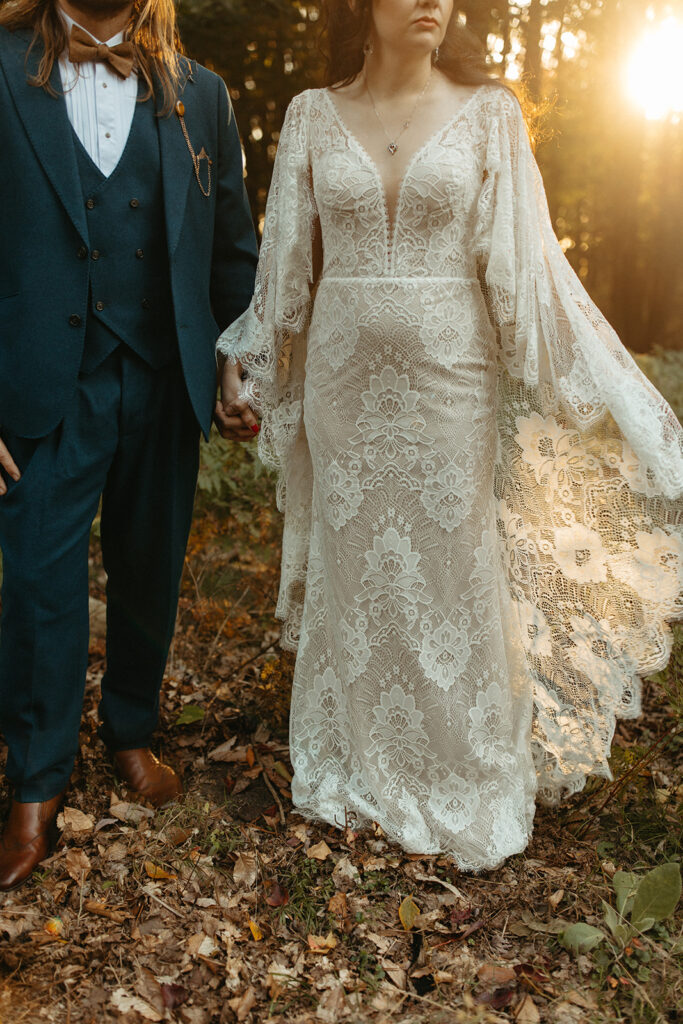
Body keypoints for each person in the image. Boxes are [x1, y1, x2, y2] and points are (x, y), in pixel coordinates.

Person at [216, 0, 683, 870]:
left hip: (449, 383)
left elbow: (531, 267)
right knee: (357, 561)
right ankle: (357, 753)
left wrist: (610, 398)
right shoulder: (311, 114)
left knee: (447, 559)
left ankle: (456, 762)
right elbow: (282, 271)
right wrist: (247, 363)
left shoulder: (491, 113)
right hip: (343, 383)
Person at [0, 0, 258, 890]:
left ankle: (130, 730)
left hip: (164, 373)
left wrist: (236, 362)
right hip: (39, 383)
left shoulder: (204, 95)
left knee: (151, 566)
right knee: (38, 579)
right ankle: (33, 785)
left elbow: (233, 251)